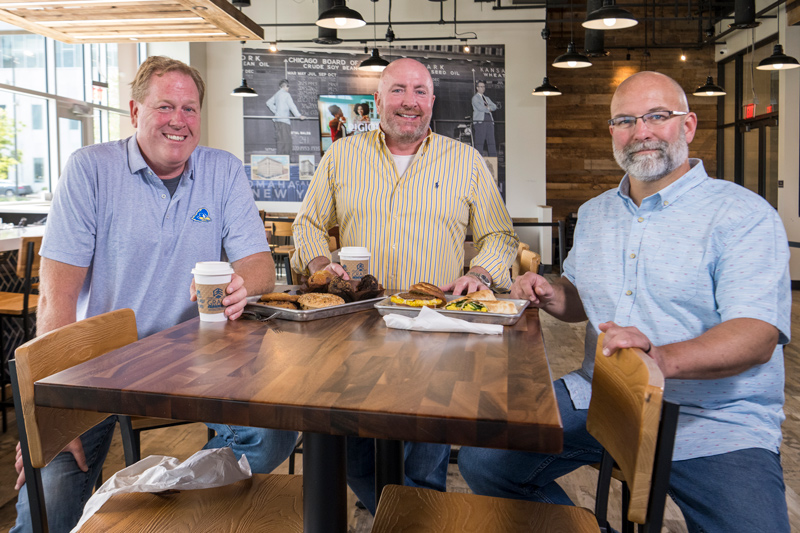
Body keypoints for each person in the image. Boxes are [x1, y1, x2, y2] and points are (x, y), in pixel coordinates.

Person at [458, 71, 791, 532]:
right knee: (484, 460)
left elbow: (756, 335)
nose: (642, 132)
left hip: (716, 421)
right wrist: (553, 293)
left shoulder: (743, 215)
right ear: (612, 132)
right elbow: (579, 299)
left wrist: (659, 359)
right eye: (626, 120)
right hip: (600, 395)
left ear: (688, 126)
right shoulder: (595, 214)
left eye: (658, 116)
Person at [11, 56, 299, 533]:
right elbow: (56, 299)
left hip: (198, 361)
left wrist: (239, 282)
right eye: (165, 106)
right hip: (97, 366)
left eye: (189, 109)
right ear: (134, 111)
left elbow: (260, 264)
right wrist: (50, 408)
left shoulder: (222, 170)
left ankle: (154, 511)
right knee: (50, 501)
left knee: (273, 434)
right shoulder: (90, 170)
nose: (178, 121)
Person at [291, 58, 519, 514]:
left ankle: (411, 513)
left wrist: (480, 274)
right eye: (397, 90)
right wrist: (319, 261)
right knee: (353, 456)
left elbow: (500, 235)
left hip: (434, 332)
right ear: (377, 100)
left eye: (419, 91)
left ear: (432, 102)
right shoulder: (341, 156)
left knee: (423, 462)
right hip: (353, 330)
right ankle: (396, 512)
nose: (408, 102)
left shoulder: (465, 161)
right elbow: (307, 225)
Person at [266, 79, 304, 155]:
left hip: (277, 121)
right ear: (286, 86)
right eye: (288, 86)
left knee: (280, 141)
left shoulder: (277, 94)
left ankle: (281, 159)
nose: (288, 89)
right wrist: (298, 115)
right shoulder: (286, 95)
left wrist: (276, 111)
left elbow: (268, 103)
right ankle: (286, 159)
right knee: (287, 141)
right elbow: (291, 106)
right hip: (284, 121)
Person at [471, 80, 498, 157]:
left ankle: (493, 160)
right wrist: (489, 108)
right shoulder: (475, 98)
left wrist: (487, 107)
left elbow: (495, 106)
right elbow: (480, 108)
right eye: (481, 87)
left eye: (484, 87)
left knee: (491, 142)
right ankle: (478, 160)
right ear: (477, 88)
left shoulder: (487, 98)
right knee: (479, 142)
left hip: (489, 121)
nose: (483, 88)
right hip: (480, 122)